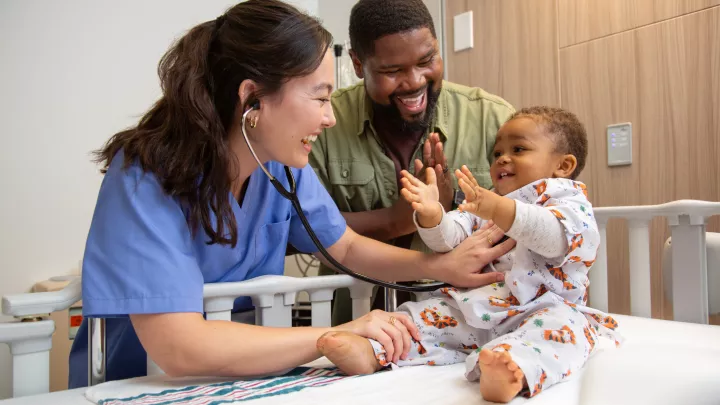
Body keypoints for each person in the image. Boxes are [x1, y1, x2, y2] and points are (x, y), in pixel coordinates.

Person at [67, 0, 516, 388]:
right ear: (252, 101)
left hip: (251, 377)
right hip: (144, 383)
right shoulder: (144, 175)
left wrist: (438, 266)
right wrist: (335, 334)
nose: (330, 118)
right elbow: (180, 347)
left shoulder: (278, 166)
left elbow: (344, 245)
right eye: (320, 99)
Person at [317, 107, 622, 403]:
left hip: (542, 311)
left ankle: (511, 369)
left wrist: (498, 209)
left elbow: (552, 236)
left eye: (518, 149)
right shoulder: (490, 204)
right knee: (421, 316)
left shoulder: (569, 204)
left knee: (567, 332)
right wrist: (432, 215)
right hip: (477, 312)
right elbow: (449, 239)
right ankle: (373, 350)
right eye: (497, 152)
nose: (502, 158)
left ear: (563, 165)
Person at [308, 0, 516, 325]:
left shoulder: (493, 118)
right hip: (357, 322)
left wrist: (455, 207)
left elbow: (536, 213)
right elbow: (300, 229)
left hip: (470, 324)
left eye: (427, 60)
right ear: (358, 64)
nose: (415, 81)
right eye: (393, 71)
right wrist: (394, 220)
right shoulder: (322, 123)